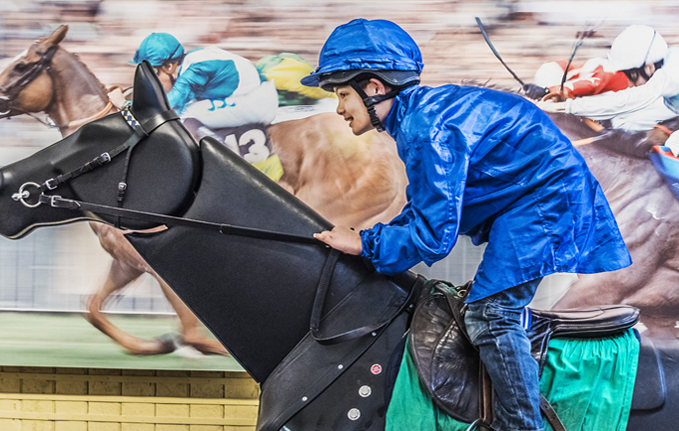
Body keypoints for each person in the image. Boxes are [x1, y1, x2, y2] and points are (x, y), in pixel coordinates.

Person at [303, 19, 631, 431]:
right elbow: (428, 212)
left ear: (373, 87)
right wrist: (369, 239)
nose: (338, 108)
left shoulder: (425, 129)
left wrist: (365, 243)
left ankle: (520, 425)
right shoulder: (418, 119)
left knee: (491, 313)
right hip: (535, 199)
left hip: (544, 202)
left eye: (342, 94)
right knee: (488, 307)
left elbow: (433, 238)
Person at [538, 25, 677, 132]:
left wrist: (567, 107)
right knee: (623, 123)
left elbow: (628, 101)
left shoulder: (670, 74)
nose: (632, 84)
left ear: (650, 67)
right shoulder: (666, 64)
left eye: (632, 75)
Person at [130, 32, 278, 129]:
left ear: (169, 66)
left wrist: (126, 106)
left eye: (153, 73)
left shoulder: (194, 71)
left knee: (188, 115)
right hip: (251, 95)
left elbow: (168, 106)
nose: (152, 81)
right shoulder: (191, 60)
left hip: (258, 102)